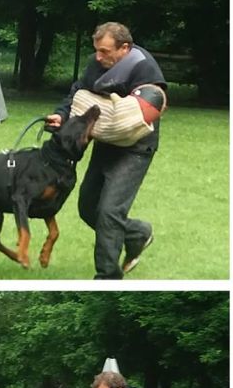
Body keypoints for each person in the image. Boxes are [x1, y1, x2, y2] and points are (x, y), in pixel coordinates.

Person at [46, 22, 166, 279]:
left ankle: (107, 277)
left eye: (104, 51)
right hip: (107, 142)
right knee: (88, 207)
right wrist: (62, 115)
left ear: (124, 48)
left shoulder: (143, 67)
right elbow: (79, 92)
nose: (98, 57)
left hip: (136, 148)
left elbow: (153, 105)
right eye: (97, 50)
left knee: (110, 211)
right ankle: (137, 233)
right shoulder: (97, 63)